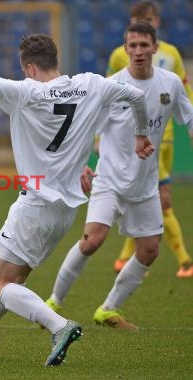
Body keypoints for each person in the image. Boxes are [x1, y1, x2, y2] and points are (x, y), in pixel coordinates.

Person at [0, 34, 152, 366]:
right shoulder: (92, 85)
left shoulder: (28, 92)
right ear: (55, 59)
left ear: (29, 67)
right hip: (65, 212)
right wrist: (142, 132)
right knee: (14, 280)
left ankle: (58, 326)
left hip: (34, 206)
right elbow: (136, 95)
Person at [45, 22, 193, 330]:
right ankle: (53, 302)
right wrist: (79, 165)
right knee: (92, 239)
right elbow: (84, 130)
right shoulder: (109, 87)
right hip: (109, 178)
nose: (138, 51)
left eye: (144, 45)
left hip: (144, 182)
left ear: (155, 48)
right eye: (133, 45)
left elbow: (188, 119)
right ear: (125, 49)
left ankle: (108, 310)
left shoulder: (171, 84)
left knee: (150, 250)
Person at [106, 1, 193, 278]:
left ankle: (128, 257)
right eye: (133, 21)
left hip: (163, 138)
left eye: (143, 20)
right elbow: (108, 96)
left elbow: (183, 92)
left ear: (155, 21)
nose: (138, 49)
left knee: (152, 198)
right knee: (157, 198)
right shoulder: (120, 55)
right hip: (135, 142)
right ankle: (184, 260)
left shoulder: (171, 53)